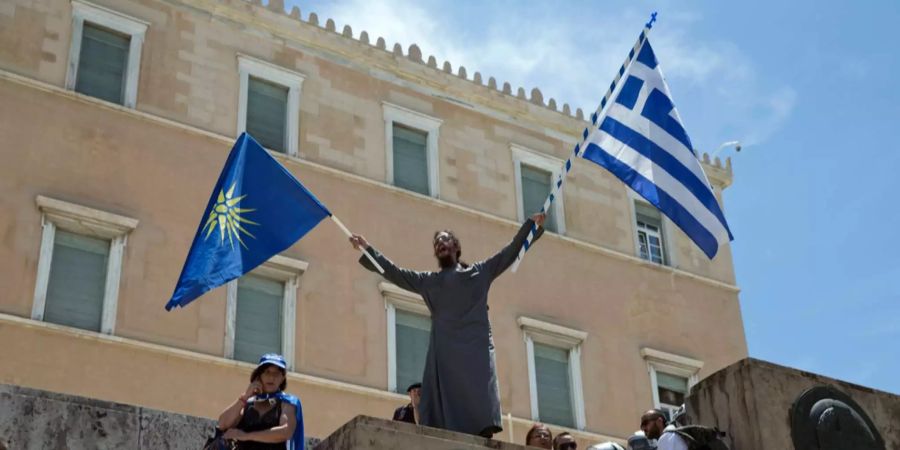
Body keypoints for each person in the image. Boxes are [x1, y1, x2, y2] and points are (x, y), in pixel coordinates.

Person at [350, 213, 546, 437]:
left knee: (477, 399)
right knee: (446, 405)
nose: (440, 244)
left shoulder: (479, 273)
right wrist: (368, 250)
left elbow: (509, 253)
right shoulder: (429, 282)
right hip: (445, 352)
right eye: (436, 243)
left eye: (445, 240)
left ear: (456, 246)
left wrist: (531, 226)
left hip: (476, 350)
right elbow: (395, 273)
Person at [217, 353, 305, 450]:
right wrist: (245, 397)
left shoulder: (287, 402)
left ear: (282, 378)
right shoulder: (249, 403)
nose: (271, 377)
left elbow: (285, 432)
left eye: (276, 374)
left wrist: (246, 436)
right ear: (259, 376)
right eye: (267, 372)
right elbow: (222, 424)